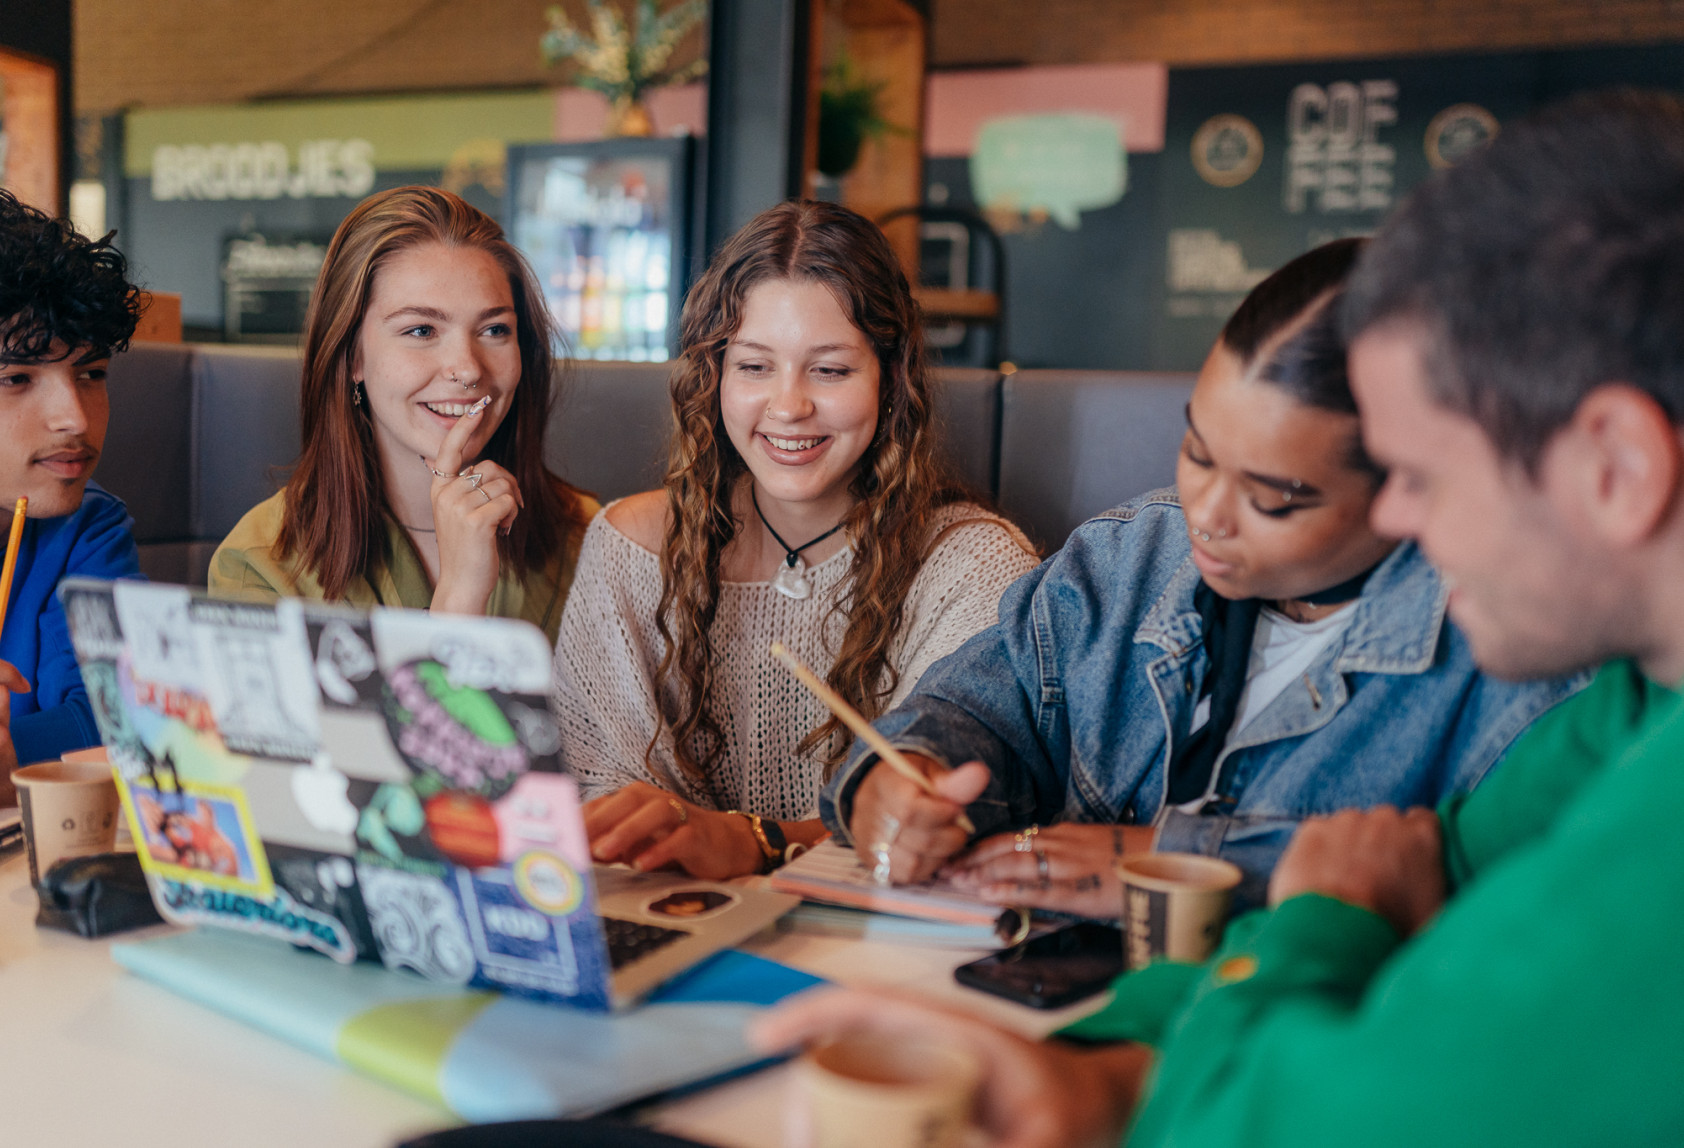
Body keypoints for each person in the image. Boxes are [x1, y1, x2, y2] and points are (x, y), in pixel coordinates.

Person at [756, 89, 1684, 1148]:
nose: (1399, 517)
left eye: (1424, 474)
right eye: (1195, 450)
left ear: (1617, 466)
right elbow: (1437, 892)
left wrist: (1316, 921)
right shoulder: (1626, 713)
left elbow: (1290, 1112)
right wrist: (1098, 1077)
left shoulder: (1605, 753)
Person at [820, 238, 1579, 915]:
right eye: (1198, 452)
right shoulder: (1134, 555)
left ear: (1407, 488)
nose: (1205, 514)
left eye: (1271, 495)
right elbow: (985, 702)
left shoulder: (1512, 659)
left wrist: (1185, 867)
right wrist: (903, 779)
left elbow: (1508, 901)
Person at [550, 200, 1039, 880]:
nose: (788, 407)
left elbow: (944, 826)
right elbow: (599, 796)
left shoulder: (973, 565)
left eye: (830, 370)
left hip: (874, 947)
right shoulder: (633, 548)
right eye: (754, 367)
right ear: (713, 375)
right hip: (666, 933)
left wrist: (752, 842)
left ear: (890, 379)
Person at [209, 186, 595, 638]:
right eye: (421, 329)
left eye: (494, 329)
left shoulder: (589, 536)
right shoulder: (260, 564)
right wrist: (458, 601)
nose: (468, 369)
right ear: (352, 356)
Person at [0, 189, 144, 785]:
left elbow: (121, 716)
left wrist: (12, 754)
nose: (75, 420)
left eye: (91, 374)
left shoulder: (88, 526)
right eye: (17, 377)